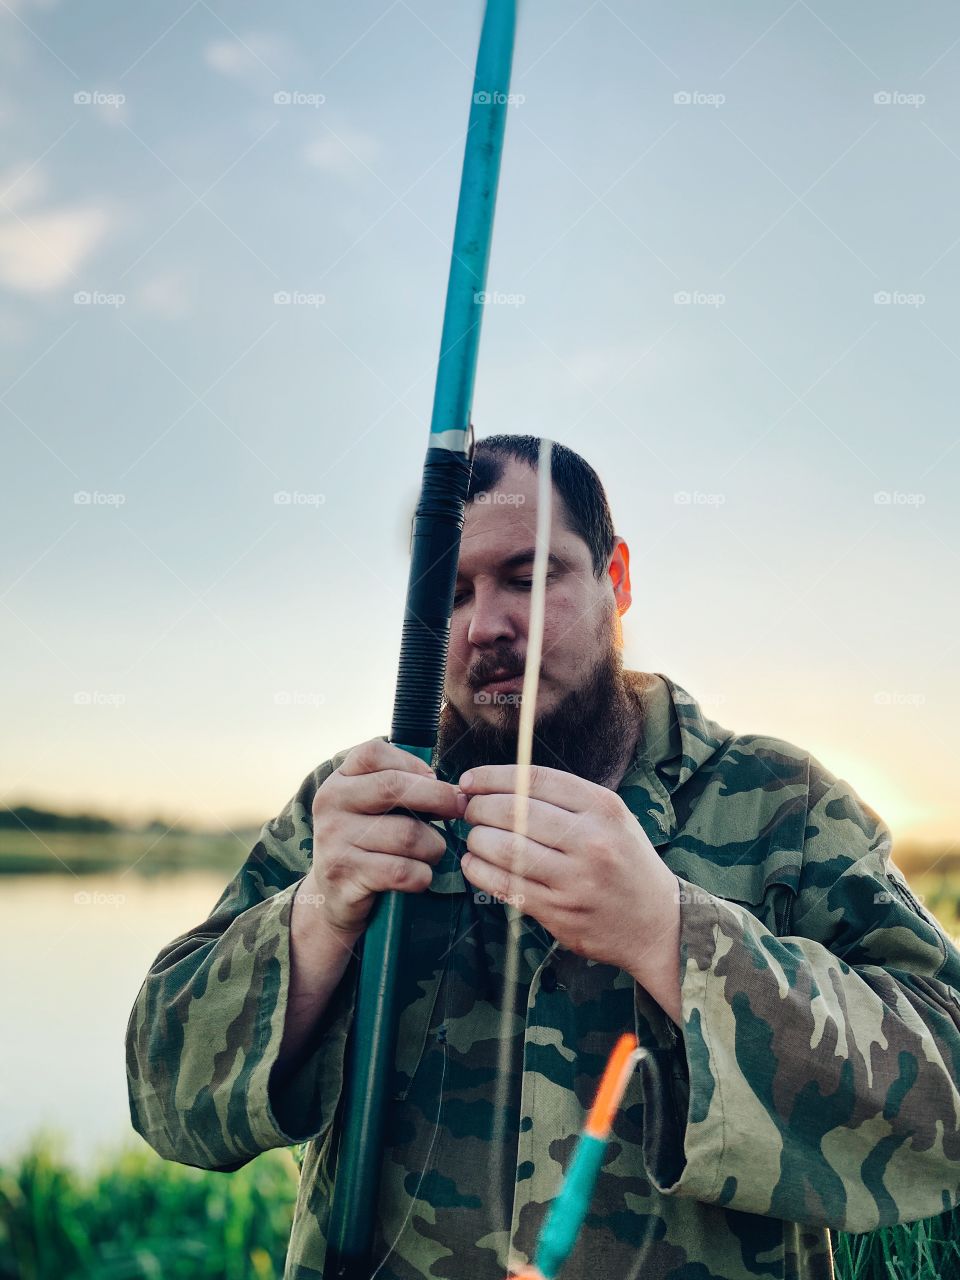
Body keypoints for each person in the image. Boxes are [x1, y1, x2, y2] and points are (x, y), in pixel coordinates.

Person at [126, 436, 960, 1280]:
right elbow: (164, 1093)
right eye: (450, 594)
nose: (487, 625)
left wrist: (671, 935)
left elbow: (949, 1099)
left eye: (529, 578)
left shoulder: (784, 803)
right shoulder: (358, 803)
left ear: (617, 579)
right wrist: (316, 914)